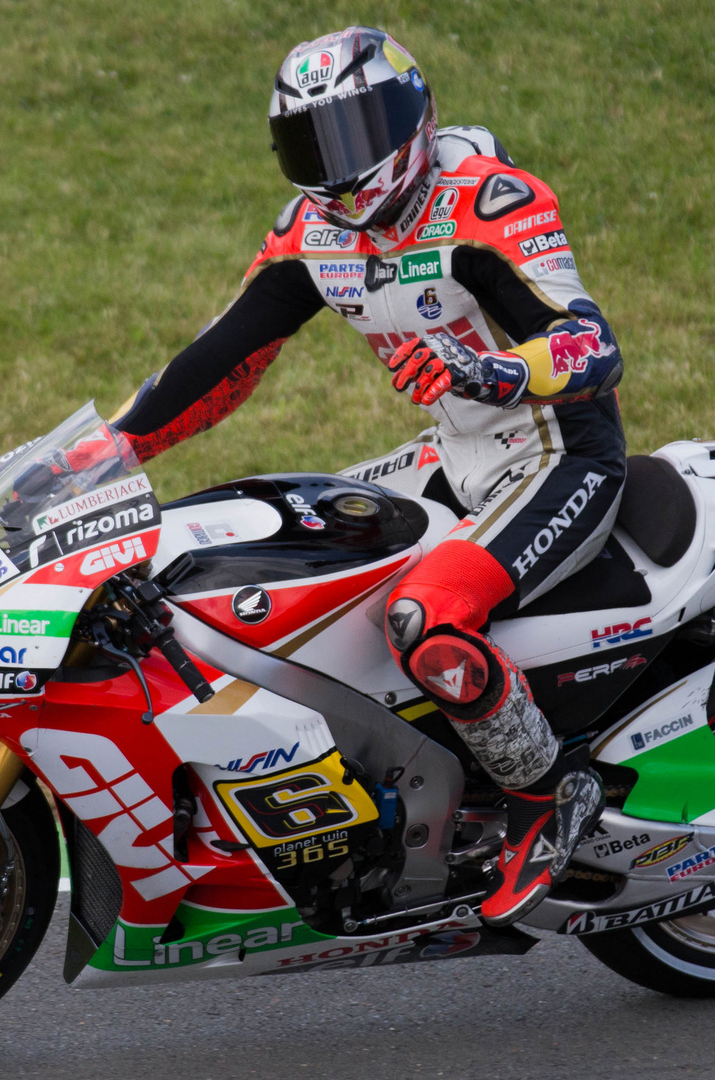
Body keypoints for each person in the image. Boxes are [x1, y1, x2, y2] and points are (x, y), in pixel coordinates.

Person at [109, 26, 624, 926]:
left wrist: (497, 373)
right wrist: (112, 449)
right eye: (316, 146)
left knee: (426, 622)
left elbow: (590, 347)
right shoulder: (314, 232)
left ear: (414, 114)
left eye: (357, 136)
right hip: (454, 456)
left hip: (558, 456)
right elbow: (225, 359)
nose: (341, 170)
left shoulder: (487, 204)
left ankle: (546, 798)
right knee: (253, 549)